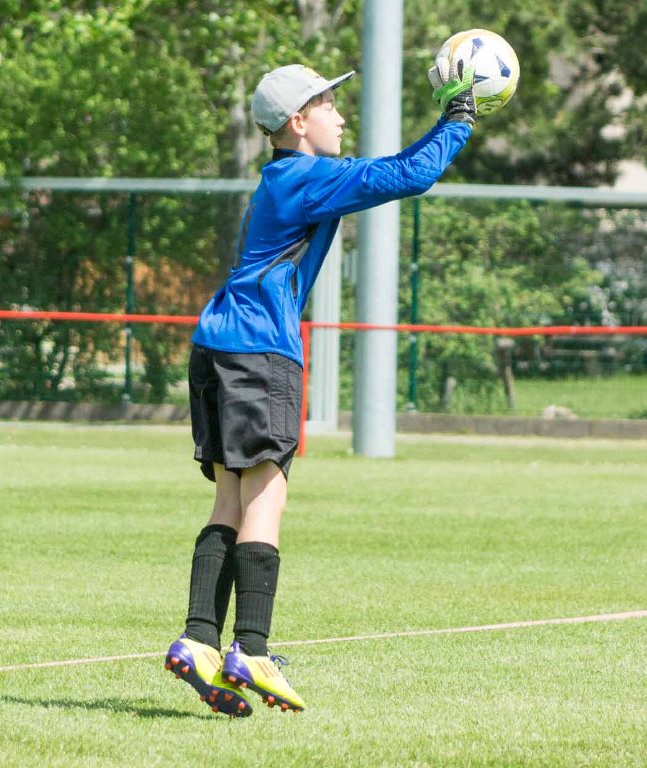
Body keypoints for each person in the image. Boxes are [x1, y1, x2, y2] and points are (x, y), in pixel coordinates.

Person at [164, 61, 476, 718]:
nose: (341, 116)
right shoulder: (308, 178)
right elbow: (408, 175)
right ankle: (251, 650)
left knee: (229, 497)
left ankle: (198, 640)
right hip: (259, 351)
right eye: (329, 105)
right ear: (298, 122)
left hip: (215, 344)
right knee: (265, 496)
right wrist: (457, 120)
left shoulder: (278, 179)